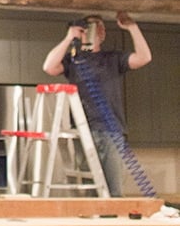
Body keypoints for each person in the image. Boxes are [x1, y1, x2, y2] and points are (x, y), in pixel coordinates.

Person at [42, 12, 152, 196]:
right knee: (90, 188)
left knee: (112, 187)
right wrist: (69, 37)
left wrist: (133, 28)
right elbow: (49, 67)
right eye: (93, 27)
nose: (99, 30)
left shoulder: (113, 58)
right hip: (83, 130)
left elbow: (144, 57)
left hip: (111, 129)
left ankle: (112, 221)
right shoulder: (74, 59)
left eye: (101, 27)